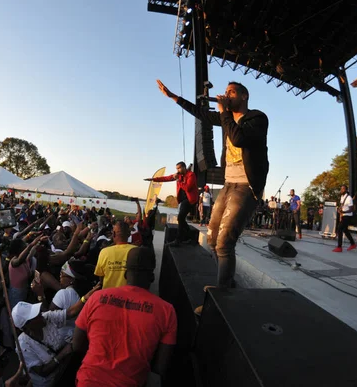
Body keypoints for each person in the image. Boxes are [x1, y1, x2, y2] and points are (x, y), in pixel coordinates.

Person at [156, 79, 269, 291]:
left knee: (225, 241)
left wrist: (224, 111)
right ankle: (228, 285)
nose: (226, 95)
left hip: (246, 186)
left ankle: (223, 293)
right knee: (213, 237)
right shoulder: (226, 118)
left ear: (244, 96)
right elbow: (200, 113)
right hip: (229, 184)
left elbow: (237, 139)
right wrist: (173, 97)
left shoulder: (258, 118)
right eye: (225, 92)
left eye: (232, 92)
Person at [73, 246, 177, 387]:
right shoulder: (167, 311)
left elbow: (76, 345)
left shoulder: (97, 297)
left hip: (86, 385)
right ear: (152, 276)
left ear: (126, 274)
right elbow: (160, 368)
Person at [145, 162, 197, 245]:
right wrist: (153, 179)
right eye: (177, 168)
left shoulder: (191, 175)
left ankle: (178, 240)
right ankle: (190, 237)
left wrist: (178, 180)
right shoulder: (178, 175)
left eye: (179, 168)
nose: (178, 170)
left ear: (184, 167)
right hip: (183, 200)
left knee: (180, 217)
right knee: (181, 219)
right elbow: (166, 178)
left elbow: (187, 188)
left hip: (190, 199)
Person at [94, 222, 136, 289]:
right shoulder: (136, 251)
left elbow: (101, 276)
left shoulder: (104, 252)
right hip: (128, 296)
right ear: (129, 234)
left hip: (108, 295)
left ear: (113, 234)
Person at [333, 185, 356, 252]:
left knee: (339, 229)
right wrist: (339, 210)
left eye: (343, 189)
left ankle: (339, 247)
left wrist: (344, 211)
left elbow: (352, 209)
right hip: (343, 216)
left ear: (346, 190)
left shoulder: (349, 198)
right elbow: (342, 206)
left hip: (348, 216)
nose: (341, 190)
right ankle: (353, 244)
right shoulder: (342, 197)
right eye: (341, 189)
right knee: (345, 230)